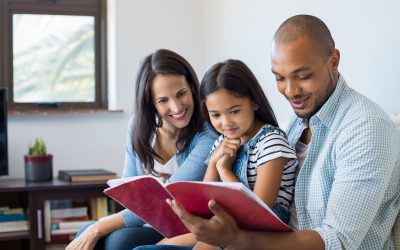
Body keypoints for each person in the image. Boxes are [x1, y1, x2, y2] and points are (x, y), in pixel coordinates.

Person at [166, 14, 400, 249]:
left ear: (333, 61)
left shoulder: (366, 127)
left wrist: (236, 238)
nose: (290, 91)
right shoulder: (298, 122)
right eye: (279, 78)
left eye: (303, 76)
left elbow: (338, 240)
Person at [135, 60, 298, 250]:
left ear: (253, 101)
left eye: (234, 111)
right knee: (155, 247)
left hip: (259, 235)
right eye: (216, 115)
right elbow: (204, 201)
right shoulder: (222, 141)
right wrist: (213, 162)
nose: (226, 123)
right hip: (225, 224)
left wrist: (223, 169)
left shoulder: (271, 142)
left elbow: (258, 213)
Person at [66, 49, 218, 250]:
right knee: (86, 230)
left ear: (191, 87)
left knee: (114, 240)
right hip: (145, 222)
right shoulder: (138, 126)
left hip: (183, 228)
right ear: (151, 103)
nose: (176, 107)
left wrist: (100, 227)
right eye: (163, 100)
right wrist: (96, 228)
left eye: (181, 94)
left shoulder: (207, 135)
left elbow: (165, 201)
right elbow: (129, 192)